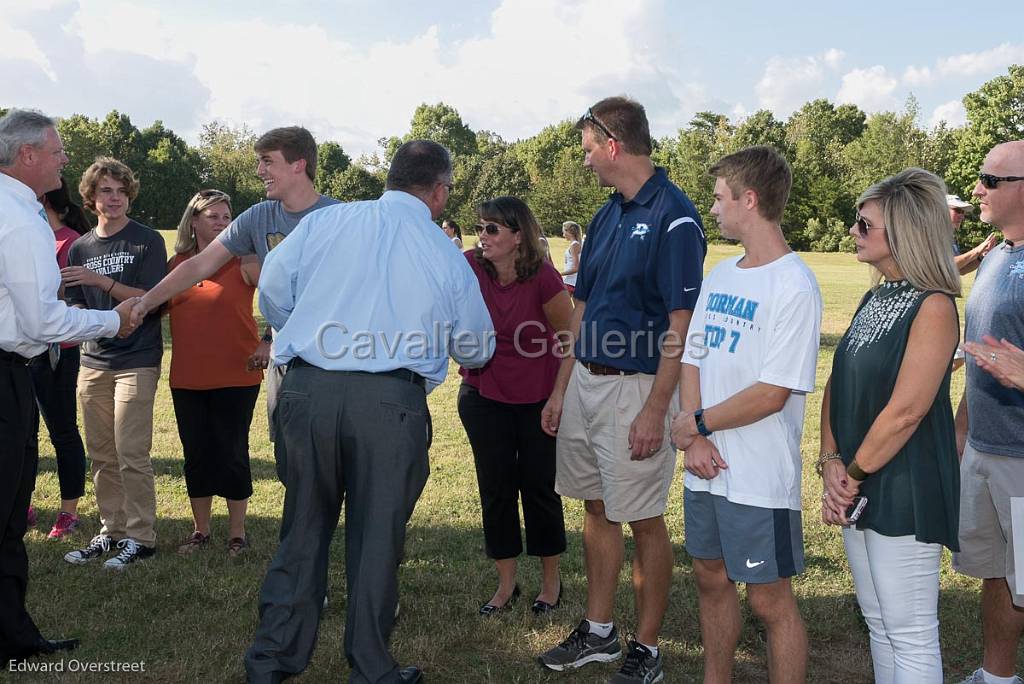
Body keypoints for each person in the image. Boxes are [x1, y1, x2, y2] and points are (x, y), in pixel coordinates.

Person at [245, 140, 494, 684]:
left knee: (303, 525)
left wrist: (306, 326)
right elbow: (477, 346)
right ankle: (371, 666)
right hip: (389, 403)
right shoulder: (444, 251)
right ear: (440, 191)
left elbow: (271, 288)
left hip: (309, 390)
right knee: (377, 537)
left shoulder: (328, 222)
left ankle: (274, 658)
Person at [537, 96, 706, 683]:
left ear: (613, 144)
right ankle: (601, 632)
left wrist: (656, 409)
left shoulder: (675, 217)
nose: (584, 162)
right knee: (597, 505)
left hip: (638, 391)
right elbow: (580, 309)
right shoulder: (608, 213)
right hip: (586, 382)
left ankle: (649, 649)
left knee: (643, 519)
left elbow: (680, 327)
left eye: (587, 150)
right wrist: (561, 390)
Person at [670, 146, 822, 683]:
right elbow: (693, 356)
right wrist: (695, 437)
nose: (712, 208)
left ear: (749, 200)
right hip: (705, 461)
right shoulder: (721, 273)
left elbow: (773, 392)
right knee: (709, 578)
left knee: (769, 599)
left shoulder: (794, 285)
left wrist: (698, 424)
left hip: (758, 474)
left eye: (718, 197)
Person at [0, 108, 136, 667]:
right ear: (27, 155)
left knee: (11, 514)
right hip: (6, 373)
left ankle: (15, 638)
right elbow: (42, 322)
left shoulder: (16, 210)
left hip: (13, 371)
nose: (63, 160)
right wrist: (113, 320)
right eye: (57, 151)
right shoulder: (17, 218)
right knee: (7, 511)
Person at [819, 168, 961, 683]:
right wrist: (831, 461)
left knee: (910, 630)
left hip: (905, 484)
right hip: (857, 477)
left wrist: (851, 475)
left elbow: (907, 411)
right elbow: (837, 383)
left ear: (902, 233)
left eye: (864, 224)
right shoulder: (875, 297)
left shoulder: (934, 306)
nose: (853, 232)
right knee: (879, 623)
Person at [130, 126, 339, 476]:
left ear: (298, 165)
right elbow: (199, 263)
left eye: (267, 161)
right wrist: (146, 302)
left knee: (327, 456)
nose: (259, 171)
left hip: (331, 358)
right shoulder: (259, 216)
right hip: (287, 360)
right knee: (290, 456)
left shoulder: (339, 217)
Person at [458, 196, 572, 617]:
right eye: (480, 227)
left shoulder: (543, 277)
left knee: (539, 488)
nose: (481, 236)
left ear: (518, 236)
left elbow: (568, 338)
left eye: (492, 229)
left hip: (538, 397)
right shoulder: (471, 266)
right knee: (496, 489)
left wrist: (558, 396)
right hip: (483, 395)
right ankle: (506, 585)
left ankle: (551, 582)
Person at [60, 158, 167, 570]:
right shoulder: (79, 247)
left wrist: (102, 282)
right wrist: (104, 323)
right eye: (106, 190)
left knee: (130, 451)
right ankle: (112, 530)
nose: (115, 198)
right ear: (92, 197)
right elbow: (74, 305)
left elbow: (151, 296)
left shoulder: (147, 240)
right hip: (94, 360)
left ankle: (141, 537)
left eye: (121, 190)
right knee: (102, 453)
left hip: (137, 359)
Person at [953, 140, 1024, 684]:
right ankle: (997, 677)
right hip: (983, 451)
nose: (977, 188)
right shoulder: (997, 254)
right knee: (998, 576)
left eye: (989, 179)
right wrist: (961, 435)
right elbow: (983, 357)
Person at [166, 190, 263, 557]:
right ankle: (200, 531)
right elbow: (155, 306)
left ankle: (237, 533)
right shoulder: (178, 264)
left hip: (237, 373)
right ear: (193, 221)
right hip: (188, 376)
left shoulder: (244, 260)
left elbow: (280, 297)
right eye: (213, 216)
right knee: (196, 454)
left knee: (232, 452)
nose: (222, 222)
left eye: (227, 216)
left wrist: (269, 339)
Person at [28, 178, 93, 540]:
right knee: (24, 433)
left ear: (45, 200)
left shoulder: (70, 242)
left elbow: (71, 299)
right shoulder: (26, 236)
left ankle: (68, 512)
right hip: (23, 352)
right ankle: (23, 504)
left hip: (57, 353)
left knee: (62, 431)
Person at [948, 193, 999, 276]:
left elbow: (961, 270)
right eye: (958, 210)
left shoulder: (949, 237)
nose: (962, 216)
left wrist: (982, 256)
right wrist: (977, 250)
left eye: (963, 212)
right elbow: (947, 266)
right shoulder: (932, 235)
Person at [560, 221, 582, 295]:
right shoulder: (576, 244)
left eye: (564, 232)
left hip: (571, 281)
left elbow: (576, 268)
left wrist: (560, 274)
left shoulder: (574, 245)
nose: (563, 235)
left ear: (568, 232)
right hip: (571, 281)